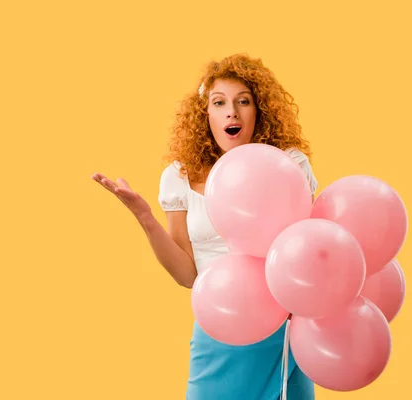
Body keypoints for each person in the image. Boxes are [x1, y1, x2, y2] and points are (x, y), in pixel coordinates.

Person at [92, 53, 318, 399]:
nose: (233, 112)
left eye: (244, 101)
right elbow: (187, 275)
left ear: (259, 111)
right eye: (220, 102)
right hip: (217, 328)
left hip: (282, 332)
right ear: (206, 114)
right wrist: (145, 218)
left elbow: (308, 252)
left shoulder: (287, 166)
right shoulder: (179, 177)